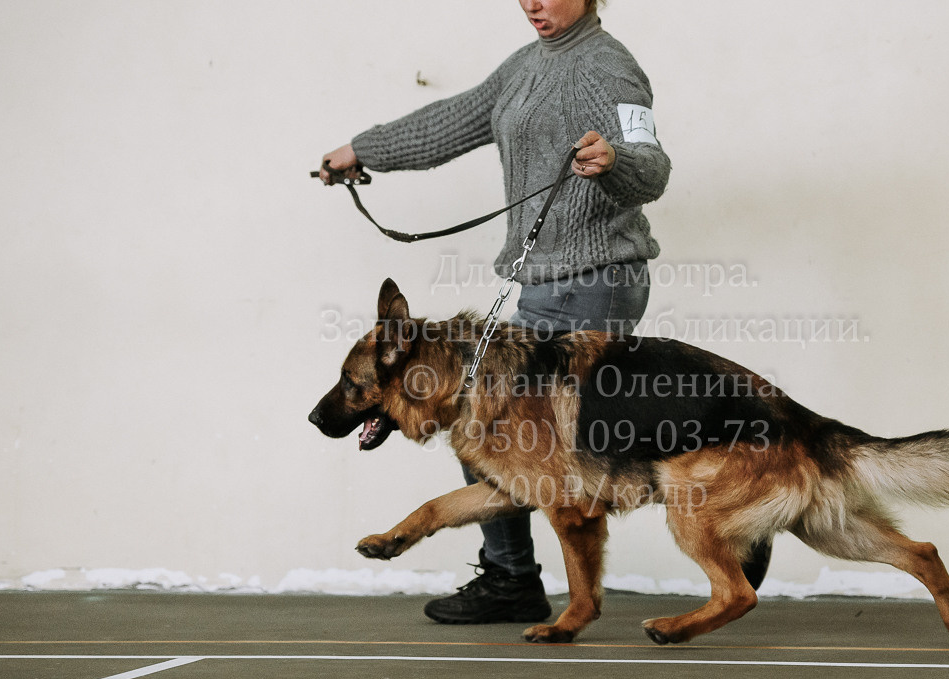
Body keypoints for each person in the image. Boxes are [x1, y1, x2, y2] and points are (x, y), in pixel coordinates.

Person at [319, 0, 769, 624]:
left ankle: (733, 514)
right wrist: (362, 151)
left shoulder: (607, 67)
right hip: (538, 287)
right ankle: (513, 578)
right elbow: (453, 120)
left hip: (596, 283)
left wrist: (616, 163)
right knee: (480, 424)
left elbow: (651, 164)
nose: (532, 2)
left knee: (544, 443)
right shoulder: (527, 66)